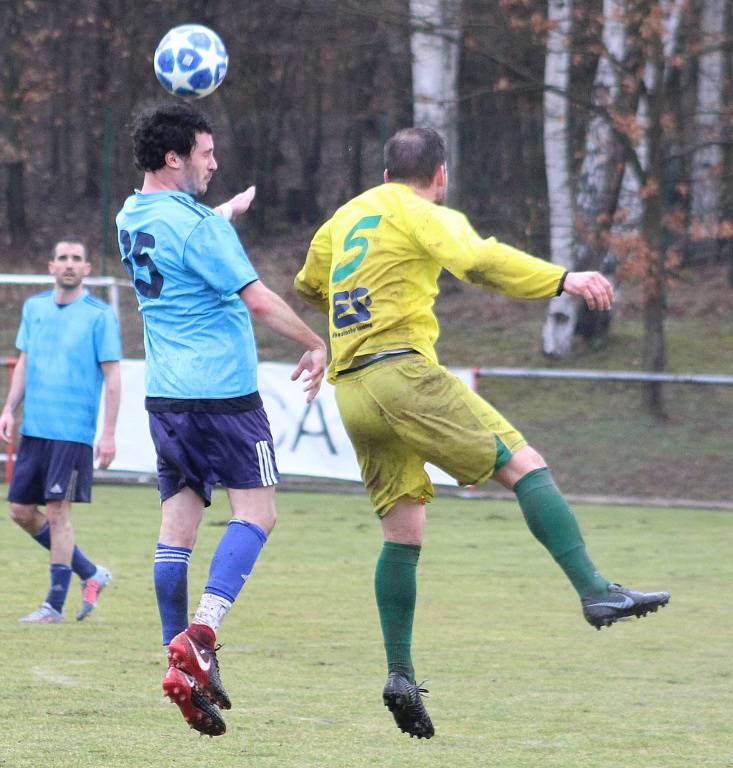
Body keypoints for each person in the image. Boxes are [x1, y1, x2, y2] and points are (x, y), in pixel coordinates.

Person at [294, 127, 670, 740]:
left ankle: (401, 673)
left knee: (403, 530)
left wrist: (342, 323)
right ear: (439, 175)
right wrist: (563, 279)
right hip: (403, 372)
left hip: (353, 390)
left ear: (386, 172)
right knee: (525, 464)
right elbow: (477, 259)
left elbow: (311, 284)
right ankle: (596, 590)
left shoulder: (345, 215)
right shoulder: (418, 210)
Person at [116, 103, 327, 737]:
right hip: (226, 398)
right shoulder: (199, 228)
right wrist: (316, 343)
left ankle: (176, 659)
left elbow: (184, 234)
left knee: (177, 527)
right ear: (175, 157)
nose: (214, 162)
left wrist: (225, 210)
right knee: (257, 514)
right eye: (206, 152)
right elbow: (258, 299)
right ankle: (203, 633)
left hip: (167, 399)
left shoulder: (130, 214)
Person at [0, 239, 121, 623]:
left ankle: (53, 604)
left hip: (73, 433)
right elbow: (24, 361)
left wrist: (109, 432)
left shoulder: (100, 315)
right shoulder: (34, 308)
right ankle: (91, 572)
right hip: (35, 429)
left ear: (87, 269)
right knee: (20, 510)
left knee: (57, 510)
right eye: (63, 258)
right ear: (51, 266)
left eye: (77, 259)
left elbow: (113, 377)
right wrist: (9, 408)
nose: (69, 265)